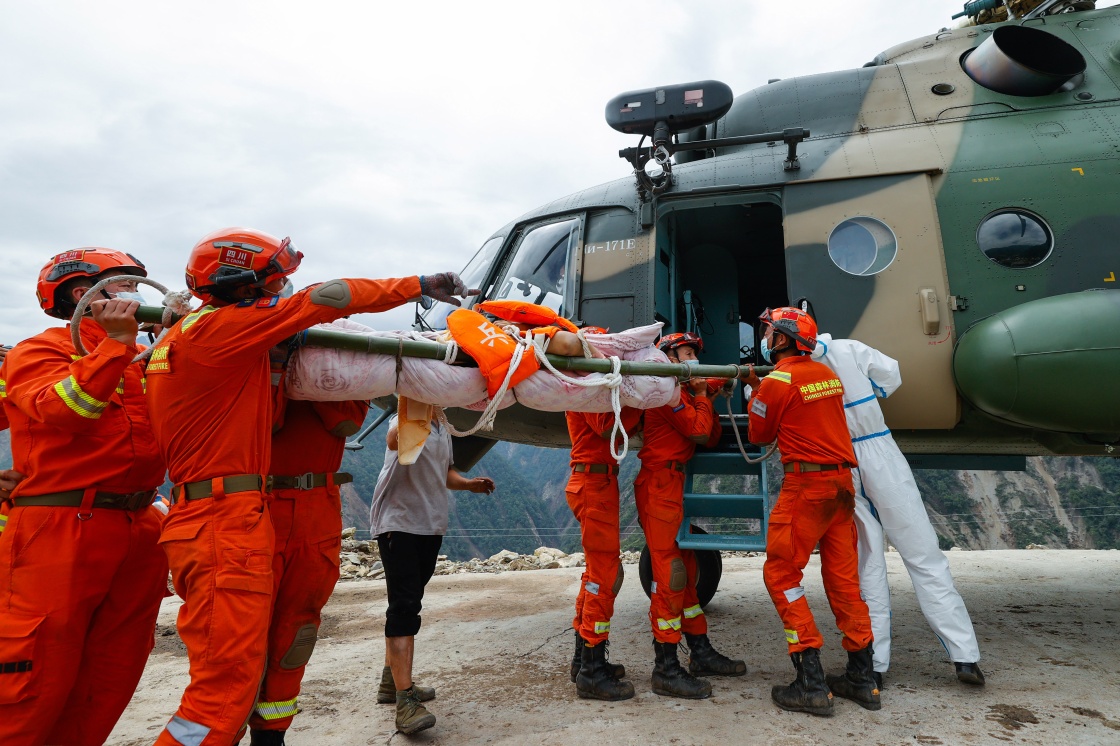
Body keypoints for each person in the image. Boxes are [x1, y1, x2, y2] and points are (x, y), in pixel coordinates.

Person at [145, 227, 474, 746]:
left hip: (230, 513)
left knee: (284, 643)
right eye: (271, 283)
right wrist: (419, 283)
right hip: (222, 521)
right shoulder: (219, 333)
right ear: (241, 286)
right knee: (223, 688)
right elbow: (327, 299)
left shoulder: (186, 339)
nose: (278, 293)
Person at [0, 249, 168, 746]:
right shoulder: (40, 351)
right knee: (34, 674)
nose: (139, 296)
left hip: (137, 526)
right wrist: (114, 347)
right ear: (86, 295)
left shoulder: (142, 358)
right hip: (59, 528)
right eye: (128, 286)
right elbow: (67, 411)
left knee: (110, 674)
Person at [811, 332, 983, 686]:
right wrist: (868, 400)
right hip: (880, 449)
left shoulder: (788, 370)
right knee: (923, 555)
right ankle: (965, 658)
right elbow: (891, 374)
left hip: (842, 462)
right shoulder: (847, 348)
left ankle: (874, 666)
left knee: (867, 562)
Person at [743, 307, 878, 716]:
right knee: (843, 581)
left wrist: (754, 390)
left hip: (807, 488)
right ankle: (863, 678)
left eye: (768, 332)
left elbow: (758, 434)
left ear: (781, 339)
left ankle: (811, 679)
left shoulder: (777, 381)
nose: (764, 337)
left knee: (781, 574)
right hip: (841, 487)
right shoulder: (826, 375)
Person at [246, 361, 370, 743]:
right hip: (255, 503)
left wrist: (313, 371)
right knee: (240, 630)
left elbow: (346, 424)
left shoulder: (342, 366)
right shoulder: (252, 363)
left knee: (297, 630)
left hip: (316, 509)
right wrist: (278, 367)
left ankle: (272, 734)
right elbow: (264, 422)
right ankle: (223, 726)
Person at [634, 331, 745, 700]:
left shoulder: (685, 394)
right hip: (659, 484)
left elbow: (710, 437)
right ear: (667, 358)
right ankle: (665, 667)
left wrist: (706, 398)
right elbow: (698, 432)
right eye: (685, 353)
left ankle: (700, 652)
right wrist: (701, 396)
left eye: (695, 353)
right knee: (670, 574)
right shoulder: (665, 391)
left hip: (672, 483)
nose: (692, 359)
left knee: (688, 573)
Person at [370, 408, 495, 734]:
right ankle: (405, 701)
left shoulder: (443, 425)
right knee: (404, 608)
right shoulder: (406, 416)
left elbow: (445, 472)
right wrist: (413, 401)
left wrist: (469, 485)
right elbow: (395, 440)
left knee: (407, 602)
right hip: (399, 524)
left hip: (429, 527)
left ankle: (390, 680)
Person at [564, 396, 640, 701]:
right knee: (603, 578)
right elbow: (606, 425)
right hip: (593, 483)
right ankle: (592, 672)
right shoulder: (587, 386)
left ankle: (583, 660)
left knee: (595, 575)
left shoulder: (586, 382)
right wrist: (639, 404)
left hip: (596, 480)